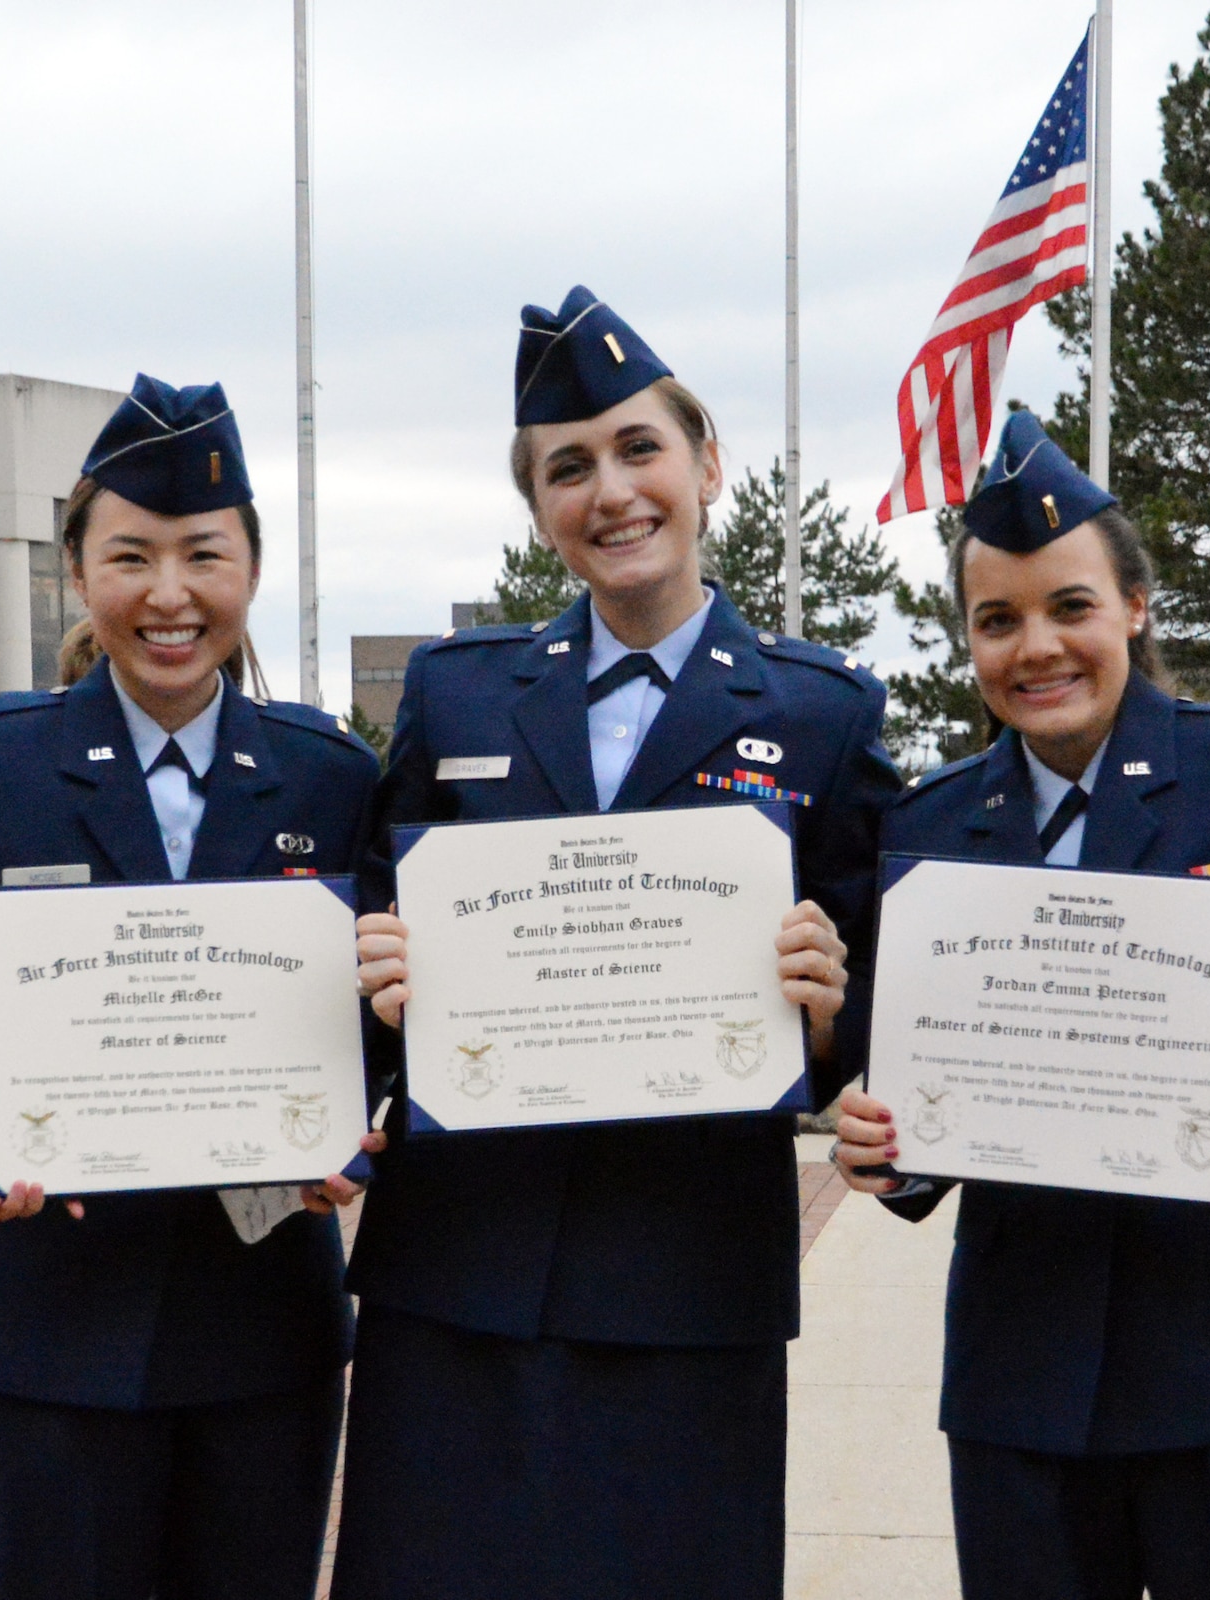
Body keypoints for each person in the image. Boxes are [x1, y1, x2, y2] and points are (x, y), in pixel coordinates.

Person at [331, 286, 901, 1600]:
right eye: (567, 468)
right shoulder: (457, 691)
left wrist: (829, 1004)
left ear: (706, 466)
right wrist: (381, 988)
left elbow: (877, 994)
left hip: (687, 1286)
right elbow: (369, 930)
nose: (612, 491)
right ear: (539, 510)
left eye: (639, 449)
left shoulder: (818, 713)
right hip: (457, 1277)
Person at [833, 409, 1210, 1600]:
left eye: (1069, 607)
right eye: (995, 620)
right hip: (1026, 1370)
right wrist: (886, 1151)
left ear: (1135, 609)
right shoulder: (934, 827)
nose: (1035, 648)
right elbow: (918, 1097)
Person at [0, 374, 383, 1600]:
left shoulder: (325, 777)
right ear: (79, 570)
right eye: (129, 554)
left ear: (249, 565)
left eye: (203, 554)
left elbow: (367, 1007)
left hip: (257, 1317)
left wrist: (355, 1125)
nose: (168, 595)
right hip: (42, 1310)